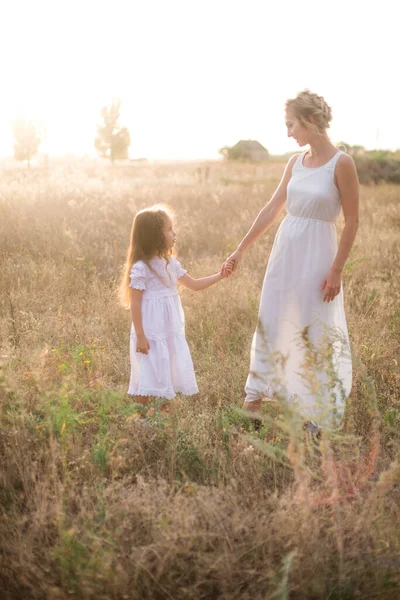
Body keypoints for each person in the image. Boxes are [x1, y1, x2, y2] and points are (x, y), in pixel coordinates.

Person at [223, 90, 359, 429]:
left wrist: (336, 270)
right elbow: (272, 208)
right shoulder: (294, 162)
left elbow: (353, 221)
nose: (288, 133)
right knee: (272, 318)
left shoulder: (342, 163)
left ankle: (314, 412)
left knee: (313, 328)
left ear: (311, 121)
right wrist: (241, 248)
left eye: (291, 125)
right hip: (286, 253)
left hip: (319, 256)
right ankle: (254, 399)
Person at [120, 205, 228, 409]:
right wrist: (141, 336)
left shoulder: (171, 264)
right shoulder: (142, 268)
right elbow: (135, 304)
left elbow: (194, 285)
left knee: (166, 372)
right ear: (155, 236)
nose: (174, 233)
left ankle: (162, 419)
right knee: (148, 375)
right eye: (169, 229)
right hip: (150, 334)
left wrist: (220, 275)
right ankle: (139, 418)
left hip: (168, 332)